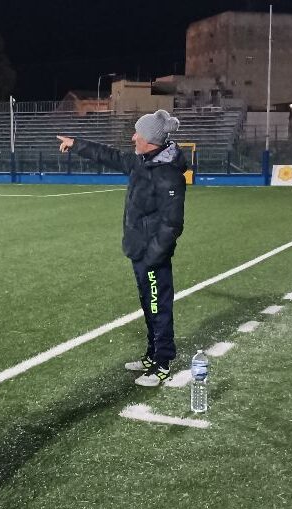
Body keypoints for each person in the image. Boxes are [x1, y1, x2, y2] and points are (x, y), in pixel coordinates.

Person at [57, 109, 187, 387]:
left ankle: (163, 364)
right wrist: (76, 144)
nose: (133, 138)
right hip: (140, 251)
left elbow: (172, 223)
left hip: (153, 256)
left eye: (137, 134)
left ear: (149, 140)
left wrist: (153, 255)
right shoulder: (143, 161)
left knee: (158, 307)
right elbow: (110, 156)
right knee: (148, 305)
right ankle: (152, 355)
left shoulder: (167, 173)